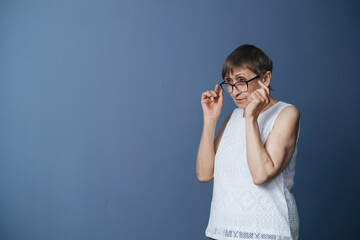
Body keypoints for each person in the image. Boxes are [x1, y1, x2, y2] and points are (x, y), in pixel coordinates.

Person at [196, 44, 300, 240]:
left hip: (268, 233)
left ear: (265, 79)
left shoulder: (286, 114)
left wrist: (251, 118)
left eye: (241, 81)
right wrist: (210, 119)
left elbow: (261, 175)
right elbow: (204, 173)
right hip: (223, 230)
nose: (234, 91)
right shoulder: (232, 118)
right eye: (229, 82)